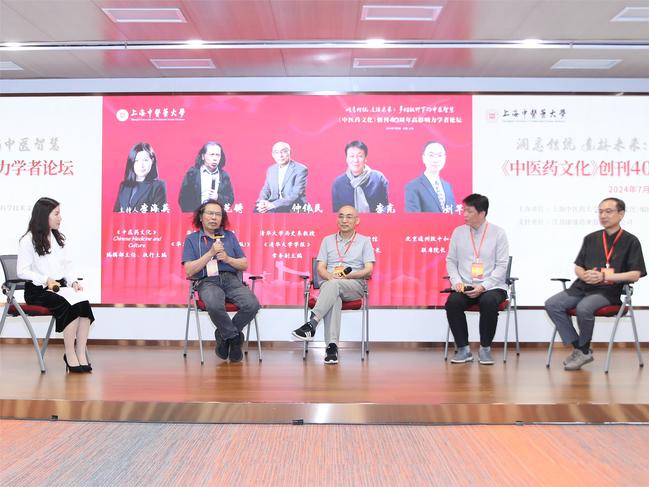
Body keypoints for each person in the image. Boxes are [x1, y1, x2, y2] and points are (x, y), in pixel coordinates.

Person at [545, 197, 646, 371]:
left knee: (584, 307)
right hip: (582, 287)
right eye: (600, 212)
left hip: (607, 292)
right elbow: (578, 266)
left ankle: (582, 350)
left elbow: (635, 274)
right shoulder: (591, 238)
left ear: (621, 214)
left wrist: (604, 276)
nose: (603, 215)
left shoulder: (631, 241)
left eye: (608, 211)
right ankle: (581, 349)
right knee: (552, 304)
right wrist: (583, 275)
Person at [17, 197, 95, 373]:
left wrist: (73, 281)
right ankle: (69, 353)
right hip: (38, 291)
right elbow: (22, 272)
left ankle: (80, 353)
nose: (60, 218)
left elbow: (66, 266)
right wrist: (45, 279)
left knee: (83, 304)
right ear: (44, 216)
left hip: (59, 288)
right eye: (56, 214)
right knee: (68, 306)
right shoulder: (27, 240)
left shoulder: (58, 238)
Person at [291, 205, 375, 364]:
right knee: (334, 296)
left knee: (333, 286)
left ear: (357, 221)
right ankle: (332, 348)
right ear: (337, 220)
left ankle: (312, 323)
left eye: (349, 217)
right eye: (341, 216)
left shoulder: (365, 242)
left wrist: (349, 275)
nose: (344, 220)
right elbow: (321, 268)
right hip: (330, 285)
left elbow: (369, 269)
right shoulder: (327, 240)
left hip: (353, 285)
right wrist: (330, 277)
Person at [181, 199, 260, 362]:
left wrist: (228, 259)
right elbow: (189, 270)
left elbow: (244, 264)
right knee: (214, 305)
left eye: (218, 214)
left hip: (231, 279)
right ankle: (234, 338)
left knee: (252, 305)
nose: (214, 217)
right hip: (206, 281)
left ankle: (223, 335)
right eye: (210, 213)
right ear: (201, 217)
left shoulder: (229, 236)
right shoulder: (192, 239)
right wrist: (210, 253)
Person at [445, 193, 509, 365]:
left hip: (492, 286)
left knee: (488, 301)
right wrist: (457, 282)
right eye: (464, 210)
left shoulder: (498, 233)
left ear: (482, 213)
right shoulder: (458, 232)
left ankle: (485, 349)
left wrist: (483, 286)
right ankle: (463, 349)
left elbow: (502, 265)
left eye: (469, 211)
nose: (464, 214)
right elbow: (451, 261)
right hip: (465, 285)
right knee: (453, 302)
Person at [331, 140, 389, 213]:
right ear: (347, 159)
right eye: (352, 156)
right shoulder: (338, 183)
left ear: (365, 159)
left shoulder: (378, 178)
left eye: (360, 156)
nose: (356, 160)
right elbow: (336, 213)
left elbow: (386, 207)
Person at [179, 142, 235, 212]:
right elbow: (183, 199)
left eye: (218, 155)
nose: (215, 159)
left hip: (216, 215)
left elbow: (230, 199)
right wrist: (196, 214)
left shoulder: (224, 176)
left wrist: (218, 197)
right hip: (196, 215)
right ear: (203, 156)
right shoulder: (192, 173)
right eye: (212, 155)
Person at [113, 142, 168, 213]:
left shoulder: (158, 186)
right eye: (136, 161)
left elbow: (159, 216)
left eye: (145, 160)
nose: (141, 165)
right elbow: (115, 213)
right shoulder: (124, 186)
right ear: (131, 162)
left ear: (152, 161)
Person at [255, 141, 308, 213]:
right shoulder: (271, 169)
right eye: (276, 152)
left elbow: (296, 194)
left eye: (284, 151)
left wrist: (273, 205)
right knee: (257, 210)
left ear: (290, 152)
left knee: (274, 212)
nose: (280, 155)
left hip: (294, 205)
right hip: (274, 204)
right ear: (273, 155)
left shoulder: (300, 169)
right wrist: (262, 202)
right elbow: (266, 189)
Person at [404, 141, 456, 213]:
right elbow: (413, 217)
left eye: (440, 155)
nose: (435, 160)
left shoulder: (448, 186)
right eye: (431, 155)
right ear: (423, 158)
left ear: (445, 158)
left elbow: (453, 213)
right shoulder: (413, 186)